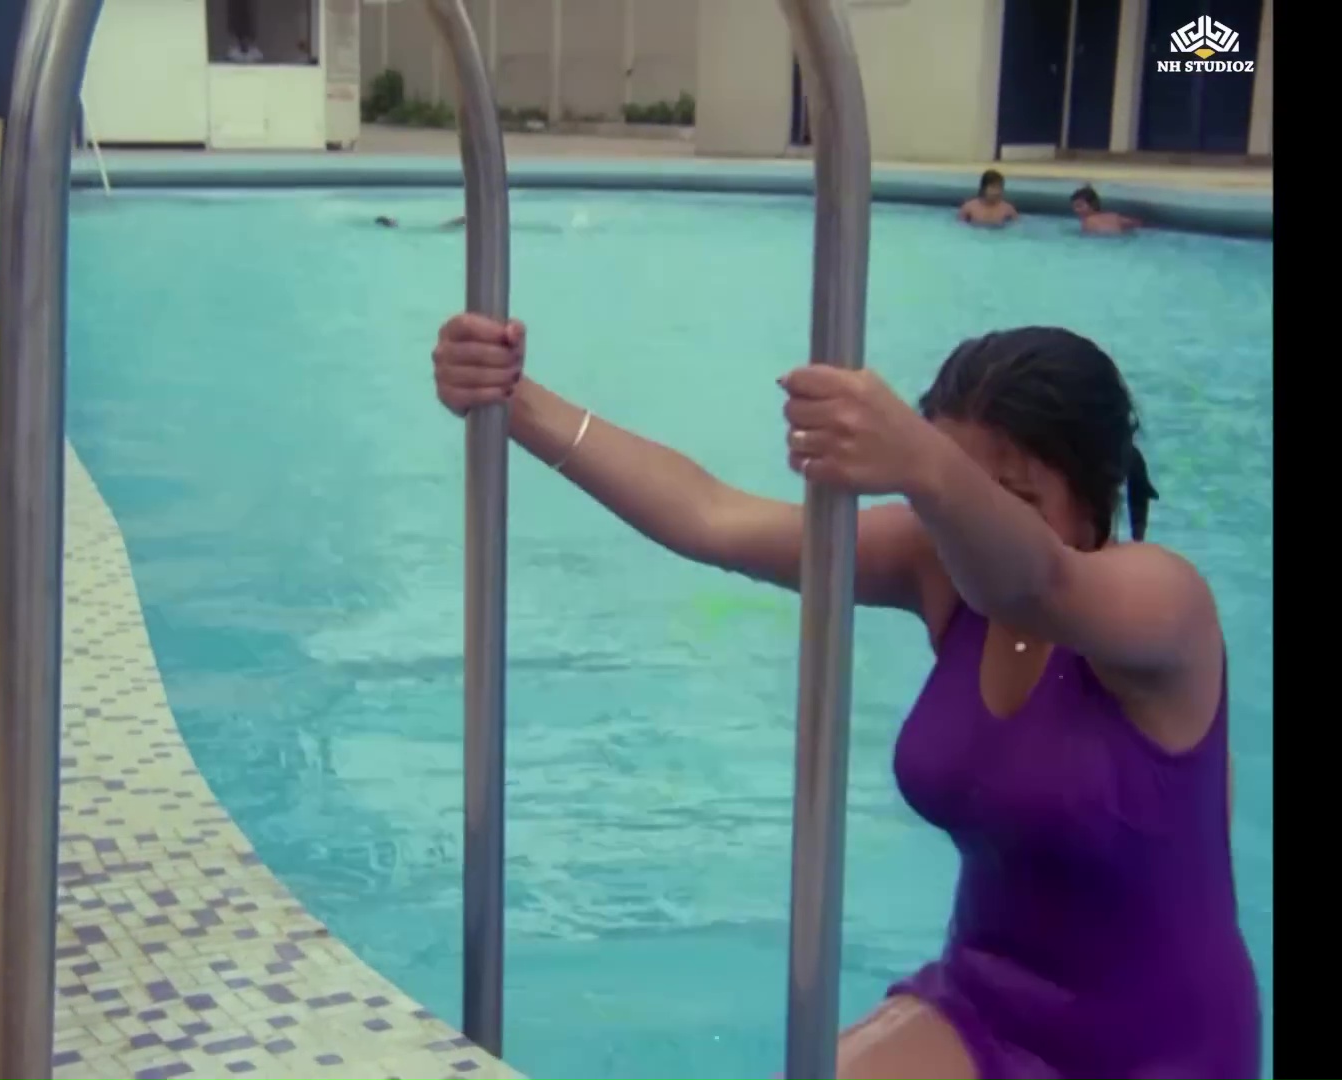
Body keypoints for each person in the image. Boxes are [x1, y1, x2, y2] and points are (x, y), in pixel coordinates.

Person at [428, 317, 1258, 1080]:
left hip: (1163, 1050)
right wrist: (514, 401)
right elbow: (711, 517)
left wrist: (928, 468)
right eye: (950, 487)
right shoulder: (943, 561)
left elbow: (1038, 583)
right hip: (986, 1006)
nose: (961, 518)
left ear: (1095, 496)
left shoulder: (1164, 605)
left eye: (1012, 496)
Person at [1070, 185, 1141, 235]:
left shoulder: (1088, 222)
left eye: (1079, 206)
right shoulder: (1113, 216)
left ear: (1092, 205)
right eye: (1074, 207)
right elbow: (1137, 223)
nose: (1076, 210)